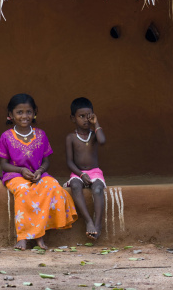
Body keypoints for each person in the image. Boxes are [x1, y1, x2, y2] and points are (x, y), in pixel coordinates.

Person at [0, 93, 78, 250]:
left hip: (38, 174)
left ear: (34, 113)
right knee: (24, 190)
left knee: (53, 186)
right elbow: (4, 164)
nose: (24, 116)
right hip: (15, 175)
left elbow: (46, 161)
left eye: (28, 112)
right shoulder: (6, 136)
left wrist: (40, 170)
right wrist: (21, 170)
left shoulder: (41, 135)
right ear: (10, 115)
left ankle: (40, 235)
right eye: (19, 112)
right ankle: (23, 237)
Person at [63, 97, 106, 240]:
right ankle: (89, 221)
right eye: (81, 116)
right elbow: (69, 162)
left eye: (89, 116)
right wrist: (81, 175)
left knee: (98, 188)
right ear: (73, 118)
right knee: (75, 186)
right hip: (78, 173)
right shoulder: (71, 137)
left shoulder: (94, 135)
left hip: (95, 172)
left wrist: (97, 123)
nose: (86, 120)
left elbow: (103, 141)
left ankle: (98, 225)